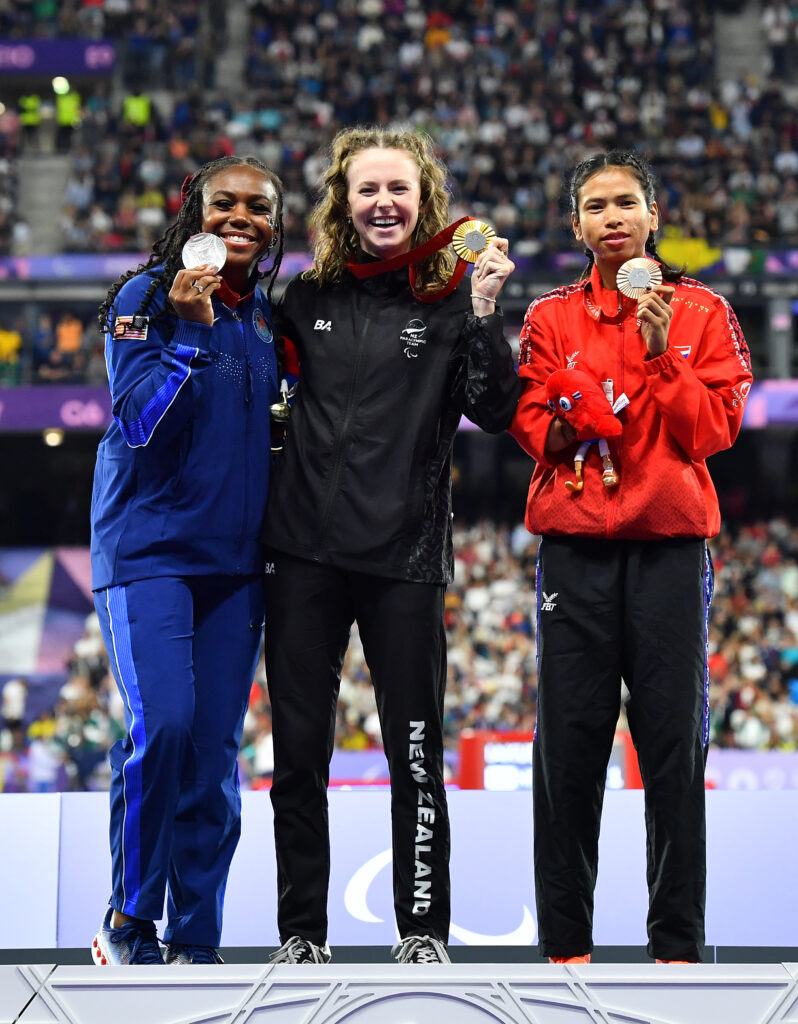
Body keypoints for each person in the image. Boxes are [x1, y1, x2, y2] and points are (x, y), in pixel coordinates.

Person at [262, 125, 520, 965]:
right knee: (299, 756)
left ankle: (421, 935)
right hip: (302, 556)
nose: (383, 203)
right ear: (344, 201)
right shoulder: (303, 300)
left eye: (398, 190)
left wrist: (484, 314)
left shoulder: (450, 303)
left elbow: (497, 411)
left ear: (424, 201)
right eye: (366, 190)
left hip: (404, 560)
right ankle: (301, 935)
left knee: (415, 758)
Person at [510, 150, 753, 964]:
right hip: (574, 555)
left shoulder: (704, 313)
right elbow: (535, 429)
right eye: (594, 206)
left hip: (670, 554)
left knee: (675, 750)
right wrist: (577, 413)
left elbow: (712, 432)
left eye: (625, 203)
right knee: (567, 753)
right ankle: (564, 952)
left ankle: (677, 951)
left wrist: (661, 354)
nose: (611, 218)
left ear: (655, 215)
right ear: (576, 225)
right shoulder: (548, 318)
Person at [89, 155, 284, 965]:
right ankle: (129, 922)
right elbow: (137, 423)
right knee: (162, 729)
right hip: (149, 556)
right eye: (225, 204)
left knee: (212, 764)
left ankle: (195, 941)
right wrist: (190, 340)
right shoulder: (146, 299)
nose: (241, 218)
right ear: (194, 212)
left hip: (236, 570)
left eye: (260, 209)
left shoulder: (270, 319)